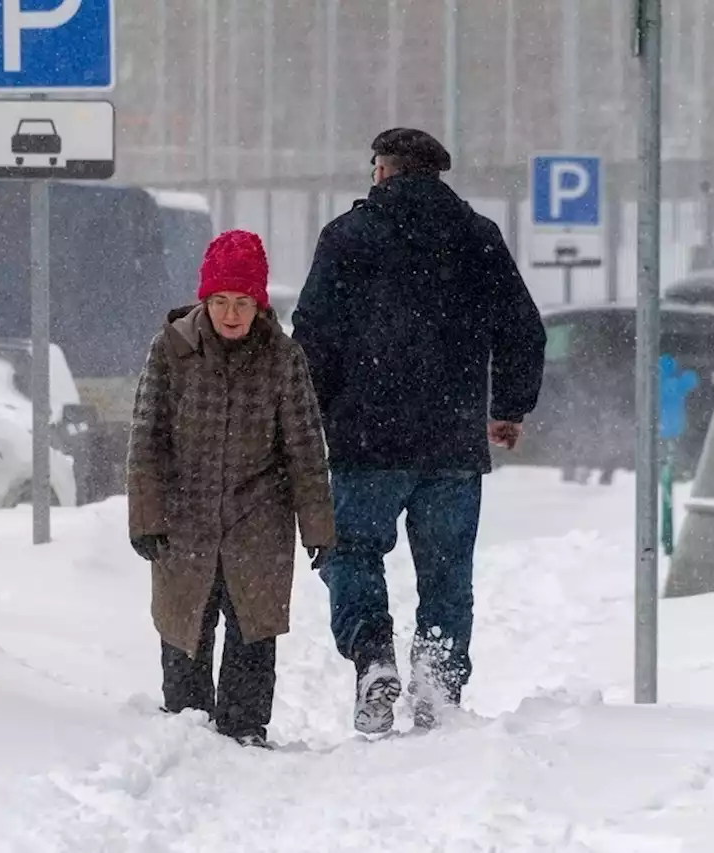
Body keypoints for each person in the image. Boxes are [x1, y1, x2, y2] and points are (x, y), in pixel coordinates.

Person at [292, 128, 547, 734]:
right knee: (447, 570)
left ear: (383, 169)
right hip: (452, 443)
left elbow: (313, 335)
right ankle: (438, 673)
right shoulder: (477, 237)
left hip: (365, 440)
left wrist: (317, 415)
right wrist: (508, 407)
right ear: (436, 174)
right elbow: (523, 328)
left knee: (352, 552)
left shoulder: (347, 237)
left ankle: (372, 657)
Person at [126, 229, 336, 749]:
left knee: (251, 628)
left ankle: (244, 727)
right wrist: (146, 518)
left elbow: (306, 451)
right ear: (205, 299)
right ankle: (188, 725)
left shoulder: (284, 359)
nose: (231, 313)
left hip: (259, 519)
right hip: (185, 517)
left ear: (259, 304)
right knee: (185, 626)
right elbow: (146, 440)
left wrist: (318, 527)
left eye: (243, 302)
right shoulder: (170, 350)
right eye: (220, 301)